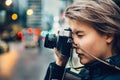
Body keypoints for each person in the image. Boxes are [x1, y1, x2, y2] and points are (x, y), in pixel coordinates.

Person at [44, 0, 120, 80]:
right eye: (72, 35)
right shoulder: (88, 72)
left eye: (80, 35)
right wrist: (60, 63)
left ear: (108, 35)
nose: (73, 44)